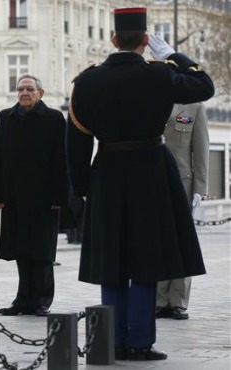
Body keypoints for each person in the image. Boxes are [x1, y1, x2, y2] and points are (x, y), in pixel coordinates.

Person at [66, 7, 212, 361]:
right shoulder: (160, 76)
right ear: (146, 41)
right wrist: (172, 55)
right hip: (151, 171)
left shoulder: (86, 81)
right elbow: (204, 86)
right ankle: (141, 341)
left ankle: (112, 340)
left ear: (113, 39)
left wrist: (85, 188)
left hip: (108, 173)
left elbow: (77, 144)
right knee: (147, 258)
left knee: (112, 260)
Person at [0, 74, 68, 317]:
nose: (24, 93)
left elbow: (61, 160)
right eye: (21, 89)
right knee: (21, 250)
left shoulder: (54, 119)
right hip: (15, 195)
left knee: (42, 251)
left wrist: (59, 196)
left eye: (30, 89)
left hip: (43, 197)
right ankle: (23, 299)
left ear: (40, 93)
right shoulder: (5, 118)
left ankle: (42, 299)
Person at [155, 103, 209, 321]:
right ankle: (159, 299)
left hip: (182, 184)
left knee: (181, 241)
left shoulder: (194, 107)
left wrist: (200, 188)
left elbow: (201, 149)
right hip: (153, 181)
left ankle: (178, 300)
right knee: (157, 241)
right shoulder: (152, 99)